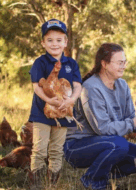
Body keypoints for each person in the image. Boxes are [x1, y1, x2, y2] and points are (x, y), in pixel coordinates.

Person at [63, 43, 136, 190]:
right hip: (77, 146)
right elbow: (102, 129)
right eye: (119, 62)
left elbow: (130, 119)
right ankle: (92, 181)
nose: (124, 66)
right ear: (104, 64)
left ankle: (103, 174)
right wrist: (133, 122)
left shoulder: (122, 85)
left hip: (108, 142)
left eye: (125, 62)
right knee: (119, 144)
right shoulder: (91, 88)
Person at [28, 19, 82, 188]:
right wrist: (48, 100)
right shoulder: (40, 62)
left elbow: (78, 86)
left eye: (59, 40)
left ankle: (52, 184)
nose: (54, 44)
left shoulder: (71, 64)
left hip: (63, 112)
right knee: (39, 149)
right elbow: (37, 86)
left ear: (65, 42)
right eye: (49, 40)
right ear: (43, 42)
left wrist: (72, 100)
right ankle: (36, 184)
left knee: (56, 150)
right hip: (41, 113)